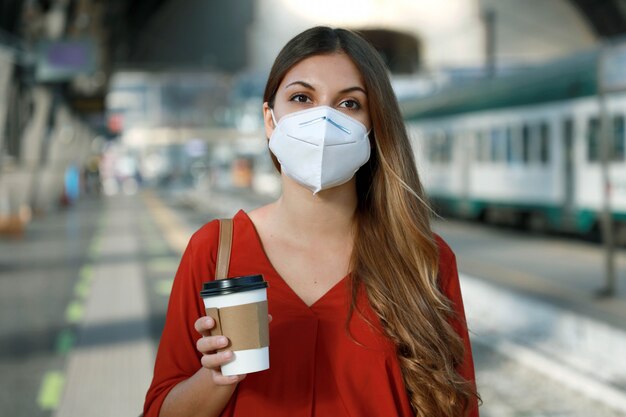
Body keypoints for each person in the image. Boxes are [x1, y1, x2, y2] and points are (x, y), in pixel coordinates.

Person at [144, 26, 480, 417]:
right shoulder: (215, 251)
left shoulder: (425, 260)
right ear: (270, 120)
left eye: (349, 104)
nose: (323, 119)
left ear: (374, 128)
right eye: (302, 98)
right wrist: (216, 377)